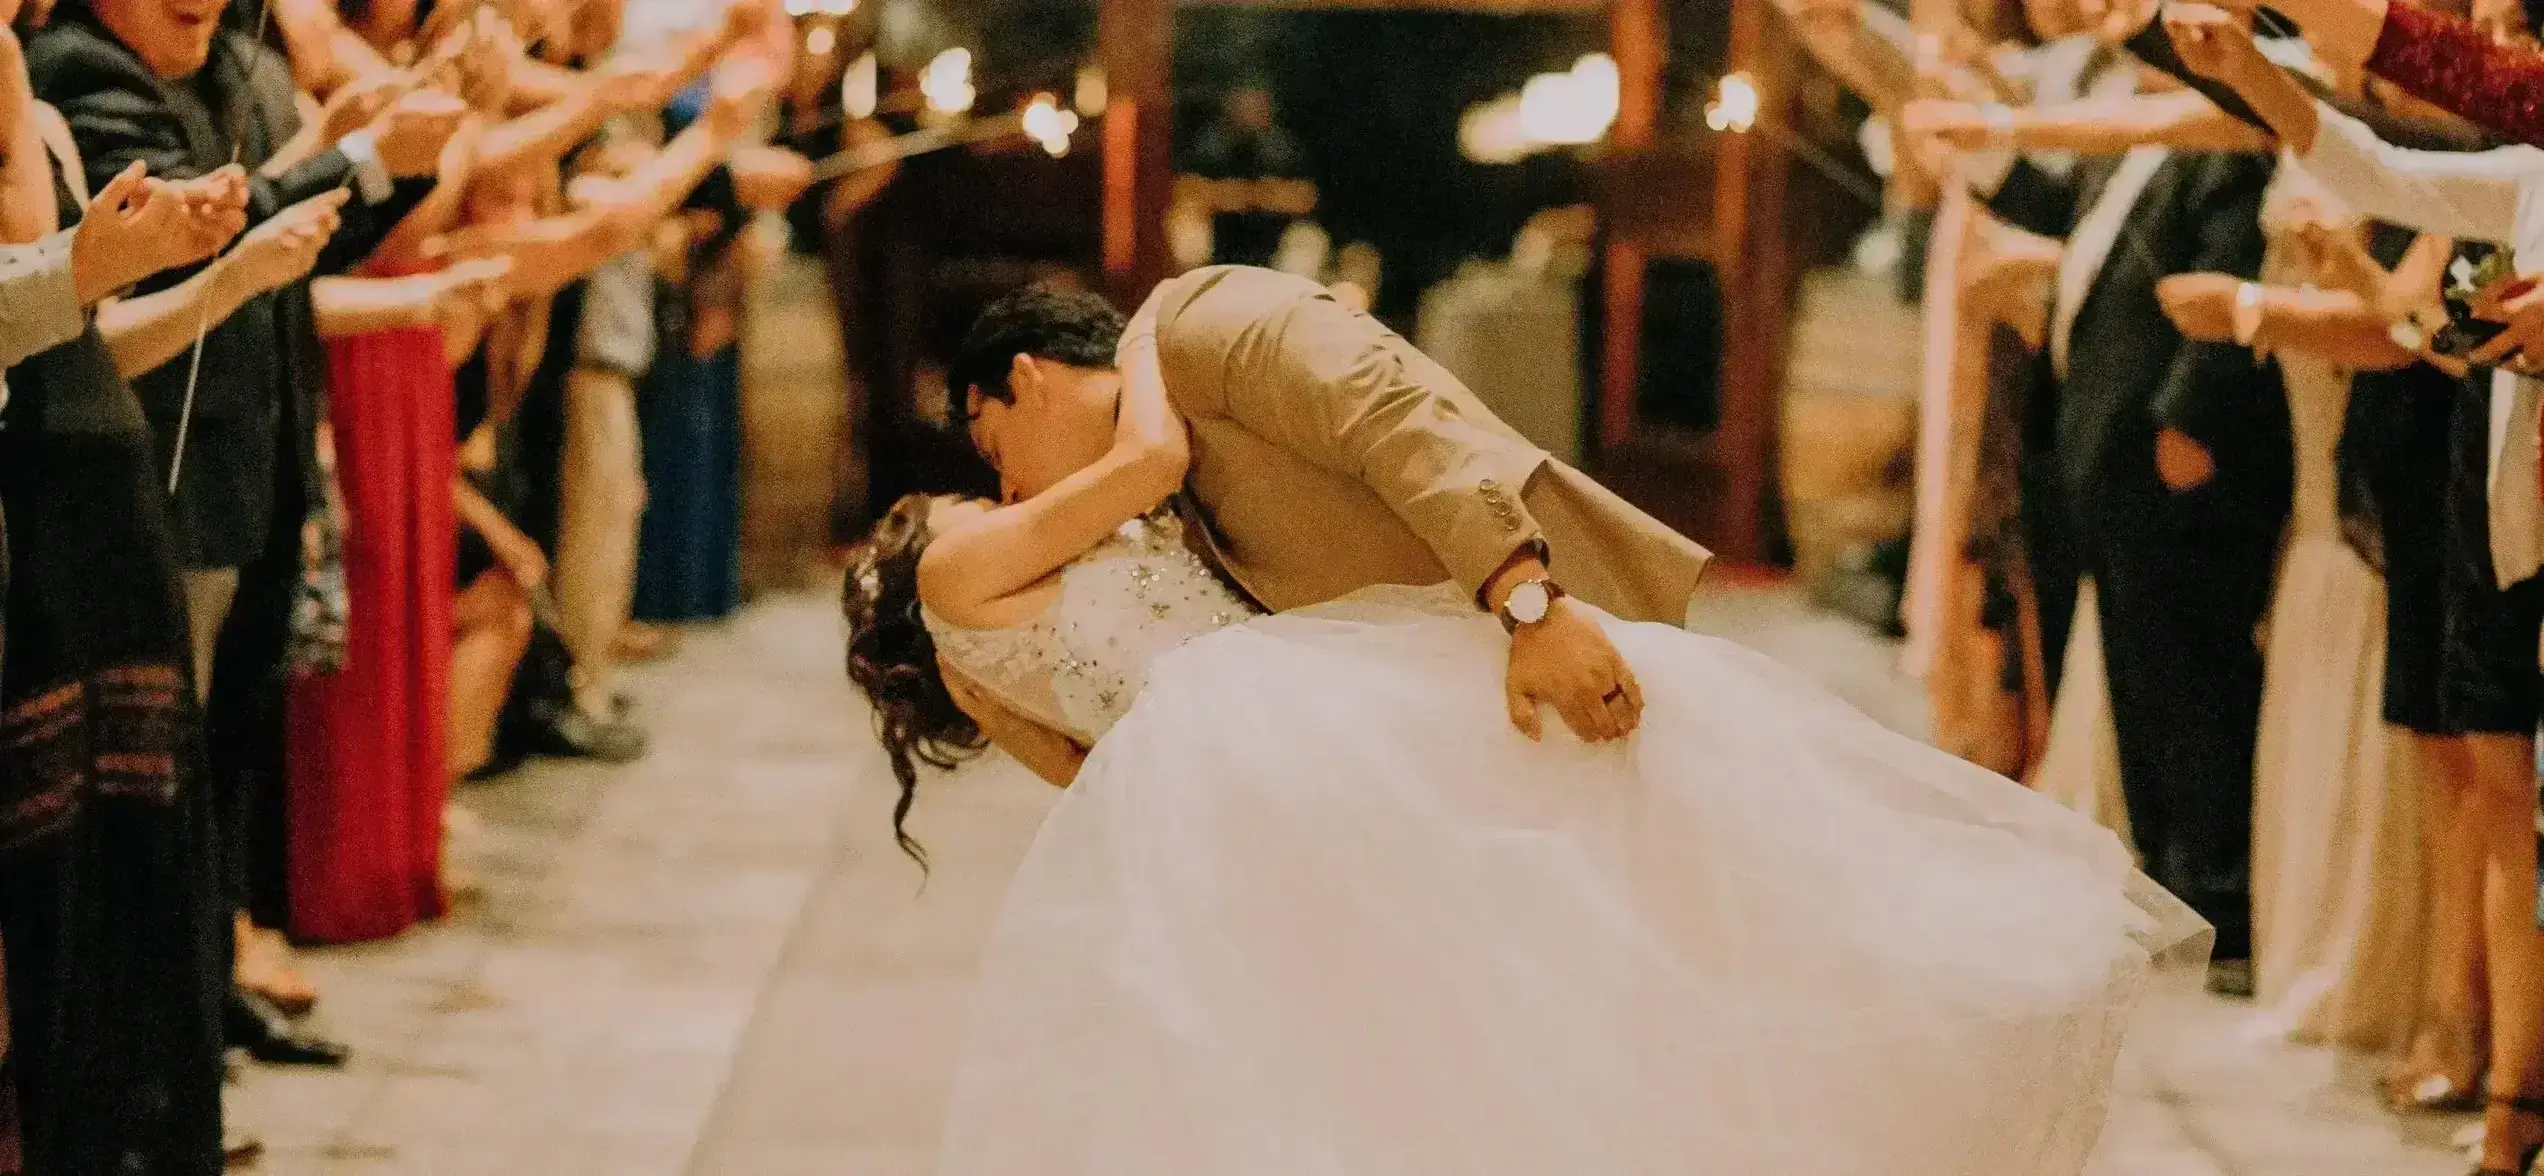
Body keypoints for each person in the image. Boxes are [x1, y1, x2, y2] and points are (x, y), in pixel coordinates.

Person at [841, 277, 2209, 1173]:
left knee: (1690, 917)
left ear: (1023, 379)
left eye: (989, 448)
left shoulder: (1207, 327)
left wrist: (1527, 601)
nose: (1001, 487)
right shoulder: (1117, 488)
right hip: (1344, 736)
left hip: (1470, 654)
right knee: (1487, 1005)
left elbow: (1404, 423)